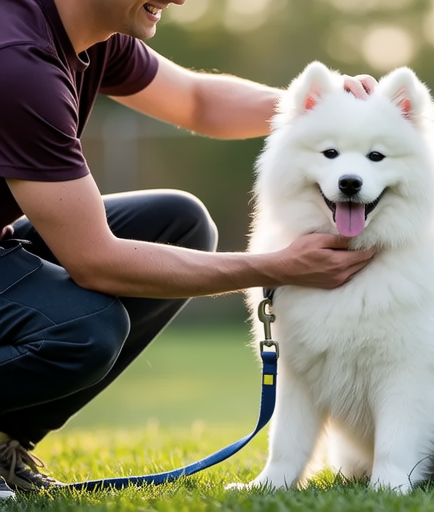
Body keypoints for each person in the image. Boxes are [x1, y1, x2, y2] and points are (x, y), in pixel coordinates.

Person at [0, 0, 378, 498]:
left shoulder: (90, 36)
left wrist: (327, 108)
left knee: (180, 224)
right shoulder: (18, 63)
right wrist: (277, 267)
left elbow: (199, 101)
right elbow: (95, 262)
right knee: (84, 331)